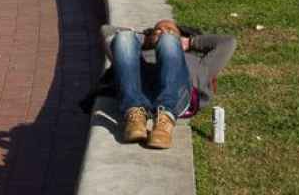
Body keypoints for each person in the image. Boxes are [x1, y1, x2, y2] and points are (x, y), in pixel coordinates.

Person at [91, 20, 237, 151]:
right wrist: (146, 40)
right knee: (123, 37)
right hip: (141, 92)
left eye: (171, 30)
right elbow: (107, 31)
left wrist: (189, 42)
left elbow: (229, 42)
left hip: (176, 96)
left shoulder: (198, 64)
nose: (164, 32)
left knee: (167, 42)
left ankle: (164, 121)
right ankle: (135, 115)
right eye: (158, 30)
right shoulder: (142, 54)